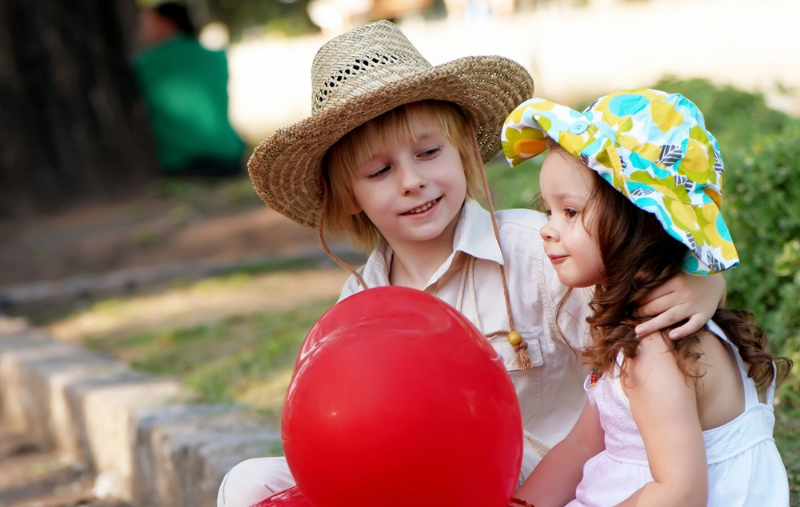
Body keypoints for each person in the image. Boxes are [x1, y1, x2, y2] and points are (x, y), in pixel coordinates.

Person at [217, 21, 726, 507]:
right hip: (420, 479)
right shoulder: (360, 309)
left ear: (462, 152)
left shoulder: (536, 250)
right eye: (379, 170)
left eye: (429, 152)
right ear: (348, 196)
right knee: (248, 484)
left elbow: (643, 294)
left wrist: (706, 283)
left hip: (547, 480)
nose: (412, 181)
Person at [502, 88, 793, 507]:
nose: (546, 228)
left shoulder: (654, 351)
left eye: (569, 212)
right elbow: (582, 446)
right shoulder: (648, 327)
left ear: (639, 219)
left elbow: (681, 494)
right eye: (546, 209)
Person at [133, 2, 244, 177]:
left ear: (167, 23)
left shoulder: (145, 64)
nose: (140, 31)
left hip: (184, 163)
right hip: (230, 157)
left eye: (146, 24)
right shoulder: (216, 56)